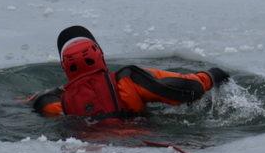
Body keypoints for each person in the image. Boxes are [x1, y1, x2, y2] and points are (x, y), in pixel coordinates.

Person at [31, 25, 229, 118]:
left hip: (89, 149)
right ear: (99, 53)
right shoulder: (127, 80)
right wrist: (212, 75)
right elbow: (189, 88)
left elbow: (40, 103)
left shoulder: (59, 104)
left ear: (65, 67)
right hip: (138, 144)